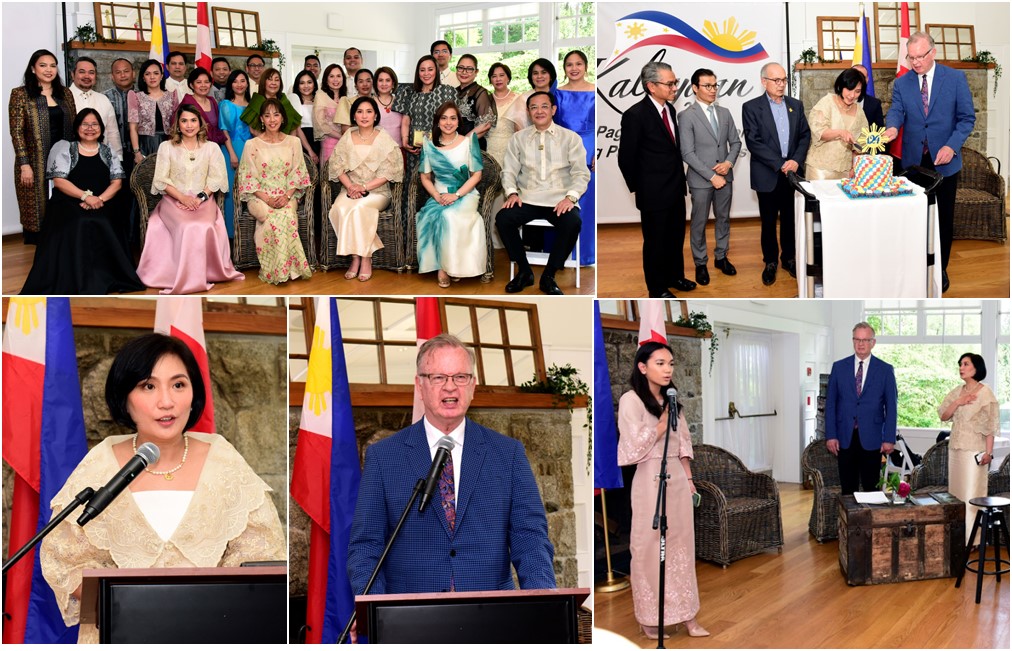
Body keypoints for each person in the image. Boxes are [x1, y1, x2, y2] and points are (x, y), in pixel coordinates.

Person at [40, 333, 286, 644]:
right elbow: (63, 556)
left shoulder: (223, 459)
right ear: (124, 396)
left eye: (178, 384)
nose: (166, 401)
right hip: (120, 632)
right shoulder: (100, 463)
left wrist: (202, 606)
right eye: (148, 386)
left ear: (193, 392)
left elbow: (262, 554)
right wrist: (134, 604)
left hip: (216, 632)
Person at [347, 334, 555, 597]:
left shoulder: (508, 454)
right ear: (420, 385)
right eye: (438, 377)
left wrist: (543, 601)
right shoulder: (384, 456)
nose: (450, 387)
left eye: (460, 377)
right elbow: (367, 545)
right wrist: (373, 608)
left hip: (489, 612)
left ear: (473, 386)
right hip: (410, 617)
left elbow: (530, 538)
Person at [617, 341, 709, 640]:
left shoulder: (673, 400)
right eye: (660, 363)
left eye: (670, 363)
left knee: (682, 549)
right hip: (648, 480)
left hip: (678, 483)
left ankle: (688, 616)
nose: (668, 369)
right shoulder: (631, 400)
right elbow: (631, 446)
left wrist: (690, 479)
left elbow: (683, 443)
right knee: (646, 549)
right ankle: (649, 619)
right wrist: (661, 421)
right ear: (643, 367)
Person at [882, 32, 975, 294]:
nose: (915, 63)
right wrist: (891, 129)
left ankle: (940, 269)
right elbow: (896, 111)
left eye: (919, 57)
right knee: (914, 217)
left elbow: (967, 118)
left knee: (943, 219)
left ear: (932, 53)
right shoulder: (902, 83)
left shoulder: (955, 78)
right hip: (913, 163)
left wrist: (951, 145)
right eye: (910, 57)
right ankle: (915, 266)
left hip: (945, 161)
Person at [20, 109, 144, 295]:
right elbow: (59, 181)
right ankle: (76, 278)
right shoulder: (65, 148)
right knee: (80, 222)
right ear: (77, 127)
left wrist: (98, 199)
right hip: (69, 201)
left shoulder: (108, 150)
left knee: (103, 221)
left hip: (103, 200)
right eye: (85, 124)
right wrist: (86, 197)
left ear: (101, 128)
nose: (90, 128)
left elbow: (117, 183)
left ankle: (105, 276)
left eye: (94, 124)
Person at [136, 105, 244, 294]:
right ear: (177, 124)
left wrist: (200, 197)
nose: (189, 125)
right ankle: (185, 277)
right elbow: (161, 179)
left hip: (204, 201)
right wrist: (183, 198)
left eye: (193, 120)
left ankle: (205, 272)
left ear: (200, 123)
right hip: (173, 201)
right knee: (186, 227)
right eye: (184, 121)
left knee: (203, 226)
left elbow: (217, 178)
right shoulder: (166, 147)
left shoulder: (211, 148)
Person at [496, 91, 588, 295]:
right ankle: (524, 271)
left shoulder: (570, 138)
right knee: (503, 219)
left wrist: (570, 197)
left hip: (559, 200)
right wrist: (511, 193)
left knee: (572, 222)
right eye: (534, 107)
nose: (539, 111)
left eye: (544, 106)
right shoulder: (518, 138)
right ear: (528, 112)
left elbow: (581, 173)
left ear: (553, 110)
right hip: (527, 198)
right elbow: (508, 170)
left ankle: (549, 276)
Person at [617, 61, 695, 298]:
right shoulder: (635, 115)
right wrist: (640, 189)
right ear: (651, 86)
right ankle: (657, 287)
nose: (674, 88)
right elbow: (625, 159)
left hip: (674, 188)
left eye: (675, 82)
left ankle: (675, 277)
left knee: (675, 237)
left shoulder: (669, 110)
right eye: (669, 83)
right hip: (653, 192)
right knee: (655, 242)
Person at [742, 62, 811, 286]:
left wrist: (795, 161)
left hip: (792, 174)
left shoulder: (796, 105)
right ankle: (770, 261)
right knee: (769, 222)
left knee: (790, 220)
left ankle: (788, 259)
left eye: (784, 80)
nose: (781, 85)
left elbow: (804, 136)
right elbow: (754, 142)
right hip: (768, 174)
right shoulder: (751, 107)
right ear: (764, 82)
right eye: (776, 80)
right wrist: (780, 164)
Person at [236, 98, 313, 285]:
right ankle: (275, 271)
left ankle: (287, 269)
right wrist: (267, 198)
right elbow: (247, 178)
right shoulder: (251, 145)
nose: (272, 119)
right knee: (272, 219)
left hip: (288, 194)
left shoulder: (294, 142)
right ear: (261, 119)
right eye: (267, 115)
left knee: (287, 217)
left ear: (283, 118)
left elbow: (299, 173)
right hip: (258, 196)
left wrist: (286, 196)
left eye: (276, 114)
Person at [328, 96, 403, 282]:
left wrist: (364, 186)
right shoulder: (347, 137)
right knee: (339, 208)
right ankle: (355, 257)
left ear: (375, 115)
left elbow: (388, 173)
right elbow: (337, 167)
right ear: (354, 115)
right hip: (350, 189)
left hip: (377, 192)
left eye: (369, 111)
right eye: (360, 111)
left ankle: (366, 258)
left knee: (360, 208)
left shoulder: (384, 138)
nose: (364, 116)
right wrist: (350, 186)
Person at [679, 67, 742, 286]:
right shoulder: (686, 116)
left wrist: (728, 163)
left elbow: (735, 142)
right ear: (695, 88)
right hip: (700, 180)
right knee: (699, 222)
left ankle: (721, 257)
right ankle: (700, 263)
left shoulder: (724, 113)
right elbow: (687, 153)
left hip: (726, 177)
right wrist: (710, 176)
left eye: (715, 85)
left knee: (723, 218)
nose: (713, 90)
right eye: (707, 86)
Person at [9, 49, 76, 244]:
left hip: (64, 159)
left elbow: (74, 127)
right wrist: (24, 164)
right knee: (38, 206)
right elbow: (17, 131)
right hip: (34, 161)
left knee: (64, 200)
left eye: (53, 66)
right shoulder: (20, 94)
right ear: (32, 68)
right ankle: (41, 248)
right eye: (43, 65)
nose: (49, 70)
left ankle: (62, 241)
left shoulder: (65, 93)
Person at [825, 322, 897, 495]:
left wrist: (889, 438)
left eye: (865, 340)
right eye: (857, 339)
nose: (861, 343)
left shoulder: (885, 370)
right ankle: (849, 523)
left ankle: (868, 522)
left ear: (873, 342)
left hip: (872, 439)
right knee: (847, 489)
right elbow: (831, 404)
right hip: (844, 438)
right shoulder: (838, 367)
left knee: (871, 489)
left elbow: (892, 407)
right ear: (853, 341)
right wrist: (831, 435)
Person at [417, 102, 484, 287]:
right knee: (431, 216)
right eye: (444, 118)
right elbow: (425, 178)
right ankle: (443, 266)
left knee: (449, 215)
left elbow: (477, 175)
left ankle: (449, 267)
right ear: (438, 122)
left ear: (458, 122)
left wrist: (457, 195)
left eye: (453, 118)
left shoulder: (470, 142)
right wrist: (437, 196)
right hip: (439, 195)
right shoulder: (429, 146)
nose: (448, 122)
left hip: (466, 194)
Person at [938, 353, 998, 545]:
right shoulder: (957, 391)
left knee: (971, 495)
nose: (961, 367)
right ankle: (957, 539)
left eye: (965, 364)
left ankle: (973, 541)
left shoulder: (985, 393)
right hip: (955, 449)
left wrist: (988, 452)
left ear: (976, 368)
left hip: (974, 451)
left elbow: (991, 426)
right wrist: (958, 402)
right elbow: (943, 416)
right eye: (960, 364)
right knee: (956, 495)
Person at [391, 55, 457, 211]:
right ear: (417, 72)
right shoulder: (410, 93)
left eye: (430, 69)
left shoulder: (446, 92)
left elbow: (451, 121)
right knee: (413, 190)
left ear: (436, 71)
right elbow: (406, 119)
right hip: (414, 151)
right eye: (422, 70)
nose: (426, 73)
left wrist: (437, 144)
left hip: (438, 150)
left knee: (436, 189)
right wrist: (405, 141)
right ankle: (411, 231)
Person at [555, 50, 597, 267]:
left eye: (578, 64)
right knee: (560, 197)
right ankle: (561, 254)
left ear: (586, 66)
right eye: (569, 64)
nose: (574, 68)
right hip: (562, 148)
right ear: (564, 69)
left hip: (589, 147)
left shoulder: (595, 91)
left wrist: (597, 151)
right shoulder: (558, 92)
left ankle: (584, 255)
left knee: (586, 200)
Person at [804, 68, 868, 181]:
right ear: (841, 86)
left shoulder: (859, 111)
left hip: (845, 171)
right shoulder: (827, 103)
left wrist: (854, 166)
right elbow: (819, 132)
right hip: (820, 170)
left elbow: (859, 144)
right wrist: (840, 133)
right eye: (849, 89)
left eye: (857, 91)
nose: (852, 95)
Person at [104, 58, 140, 250]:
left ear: (133, 73)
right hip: (115, 154)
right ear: (112, 76)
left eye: (126, 71)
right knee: (119, 195)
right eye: (118, 72)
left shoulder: (142, 95)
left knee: (139, 195)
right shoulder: (105, 97)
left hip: (139, 153)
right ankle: (119, 238)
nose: (123, 75)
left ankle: (137, 236)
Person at [219, 70, 253, 240]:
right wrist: (232, 154)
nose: (239, 84)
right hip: (232, 149)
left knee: (251, 190)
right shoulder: (226, 104)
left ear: (247, 83)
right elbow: (224, 130)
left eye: (242, 81)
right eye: (235, 81)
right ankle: (231, 235)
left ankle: (249, 234)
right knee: (232, 193)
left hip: (251, 150)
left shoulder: (253, 104)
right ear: (230, 84)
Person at [68, 57, 123, 160]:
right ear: (72, 74)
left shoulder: (103, 99)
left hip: (101, 159)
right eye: (82, 72)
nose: (87, 76)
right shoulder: (62, 98)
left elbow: (112, 133)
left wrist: (118, 159)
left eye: (91, 72)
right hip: (69, 158)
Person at [128, 59, 179, 165]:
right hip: (145, 145)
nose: (152, 77)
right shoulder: (135, 96)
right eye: (147, 74)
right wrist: (137, 152)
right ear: (143, 77)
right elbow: (133, 128)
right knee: (146, 180)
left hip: (169, 144)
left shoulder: (172, 96)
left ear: (161, 76)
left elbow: (177, 125)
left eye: (156, 73)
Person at [239, 67, 303, 138]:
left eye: (277, 80)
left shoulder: (284, 101)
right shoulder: (256, 101)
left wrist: (287, 143)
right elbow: (253, 130)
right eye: (270, 79)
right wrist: (270, 143)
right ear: (264, 82)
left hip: (285, 145)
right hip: (263, 144)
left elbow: (293, 127)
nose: (273, 83)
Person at [454, 54, 495, 150]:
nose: (464, 72)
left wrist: (463, 141)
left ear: (476, 72)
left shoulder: (480, 93)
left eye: (469, 69)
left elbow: (486, 124)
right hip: (454, 144)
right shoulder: (453, 92)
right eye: (461, 68)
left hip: (472, 145)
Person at [177, 67, 226, 146]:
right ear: (191, 85)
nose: (203, 85)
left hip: (213, 147)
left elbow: (218, 128)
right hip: (193, 147)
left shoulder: (212, 101)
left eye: (206, 82)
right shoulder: (187, 102)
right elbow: (177, 127)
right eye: (199, 82)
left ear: (210, 84)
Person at [485, 63, 520, 167]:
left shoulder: (518, 99)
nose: (498, 79)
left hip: (510, 149)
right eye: (494, 76)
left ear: (508, 78)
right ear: (490, 80)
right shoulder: (485, 99)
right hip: (489, 149)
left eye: (501, 75)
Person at [314, 63, 349, 166]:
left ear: (343, 78)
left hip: (346, 144)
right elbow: (321, 125)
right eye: (331, 76)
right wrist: (341, 137)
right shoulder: (320, 96)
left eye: (338, 76)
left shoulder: (346, 98)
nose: (335, 80)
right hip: (329, 143)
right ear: (326, 79)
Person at [507, 59, 555, 130]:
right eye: (535, 73)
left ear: (551, 75)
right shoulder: (524, 98)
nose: (539, 76)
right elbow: (519, 127)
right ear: (531, 77)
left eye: (543, 72)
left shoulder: (559, 96)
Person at [287, 69, 321, 167]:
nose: (306, 86)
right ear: (297, 86)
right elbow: (297, 129)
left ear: (314, 84)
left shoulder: (319, 101)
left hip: (318, 140)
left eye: (309, 82)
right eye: (302, 83)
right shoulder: (294, 102)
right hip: (301, 140)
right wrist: (310, 150)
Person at [373, 67, 402, 147]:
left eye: (388, 80)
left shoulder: (400, 101)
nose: (384, 84)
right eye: (380, 80)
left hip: (399, 149)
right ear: (376, 83)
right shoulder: (370, 102)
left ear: (393, 83)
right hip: (378, 150)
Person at [851, 64, 884, 128]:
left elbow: (879, 131)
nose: (859, 81)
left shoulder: (875, 104)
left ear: (867, 80)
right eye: (856, 77)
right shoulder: (838, 101)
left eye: (863, 77)